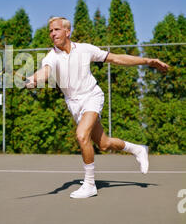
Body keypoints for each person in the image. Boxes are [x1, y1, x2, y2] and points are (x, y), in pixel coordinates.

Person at [25, 16, 170, 199]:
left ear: (67, 32)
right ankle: (138, 149)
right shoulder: (51, 57)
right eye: (50, 31)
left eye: (56, 29)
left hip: (92, 96)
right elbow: (45, 72)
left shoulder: (86, 49)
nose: (52, 34)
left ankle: (90, 184)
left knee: (81, 134)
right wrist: (33, 79)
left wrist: (147, 61)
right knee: (104, 144)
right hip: (74, 104)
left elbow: (116, 58)